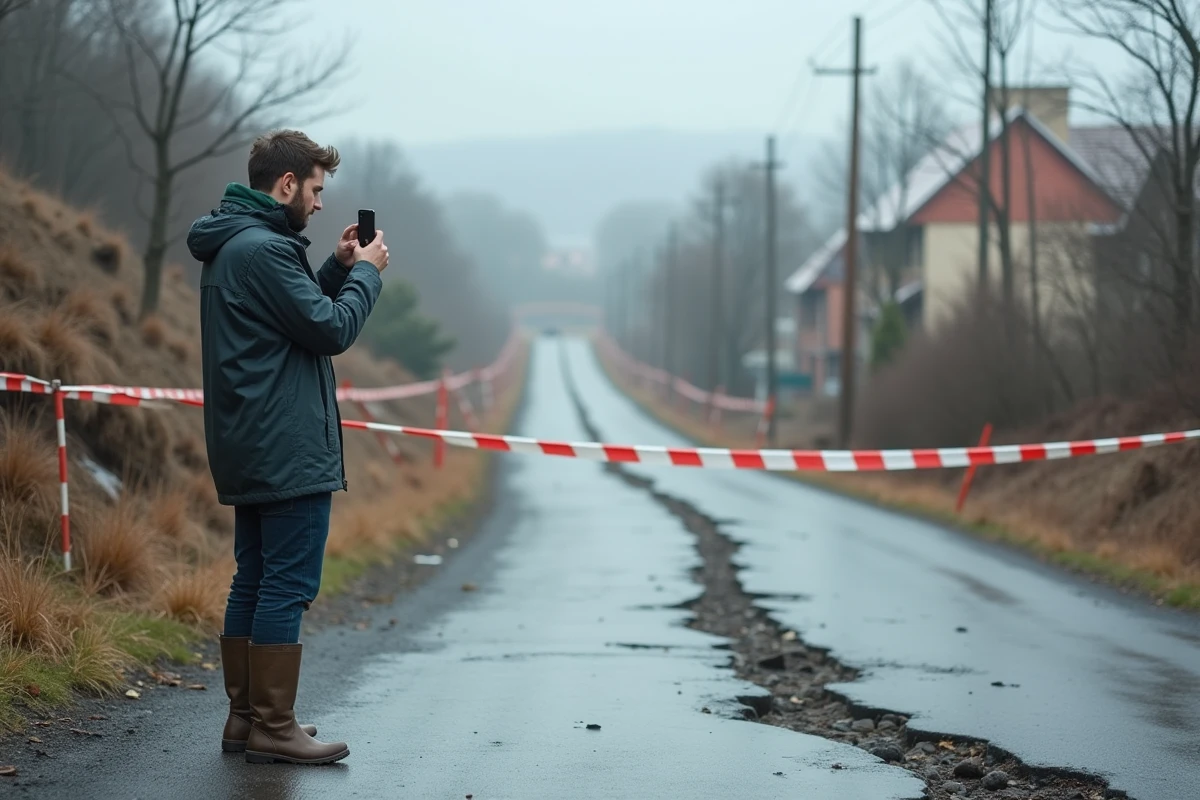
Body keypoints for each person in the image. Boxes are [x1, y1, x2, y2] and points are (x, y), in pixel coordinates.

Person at [187, 129, 388, 765]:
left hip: (248, 439)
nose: (321, 203)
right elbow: (328, 330)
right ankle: (275, 726)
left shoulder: (235, 244)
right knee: (287, 584)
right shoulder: (267, 251)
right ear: (286, 185)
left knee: (255, 577)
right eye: (317, 189)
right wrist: (369, 278)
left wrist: (335, 268)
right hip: (286, 444)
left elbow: (292, 315)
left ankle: (244, 721)